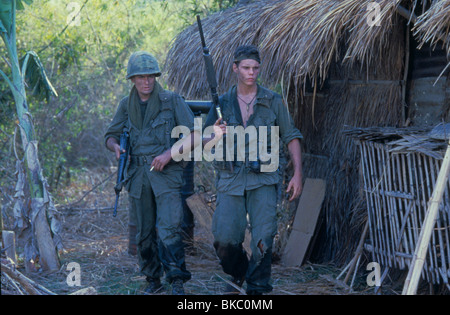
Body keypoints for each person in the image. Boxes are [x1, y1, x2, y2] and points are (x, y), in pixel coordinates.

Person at [203, 45, 303, 295]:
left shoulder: (273, 101)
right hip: (230, 179)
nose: (251, 73)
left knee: (264, 238)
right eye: (246, 68)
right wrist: (213, 135)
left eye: (256, 68)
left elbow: (291, 136)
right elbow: (203, 140)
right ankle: (238, 272)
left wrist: (298, 174)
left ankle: (258, 289)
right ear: (235, 68)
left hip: (264, 180)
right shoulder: (221, 104)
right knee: (224, 240)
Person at [104, 51, 196, 295]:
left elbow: (194, 136)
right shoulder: (126, 105)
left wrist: (168, 154)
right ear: (132, 79)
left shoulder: (171, 100)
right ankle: (152, 279)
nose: (146, 82)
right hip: (138, 175)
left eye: (151, 76)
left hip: (167, 172)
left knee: (169, 227)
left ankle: (176, 280)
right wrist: (117, 148)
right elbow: (110, 136)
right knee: (144, 231)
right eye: (141, 77)